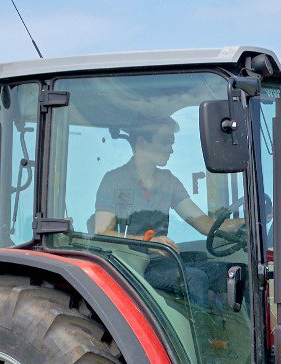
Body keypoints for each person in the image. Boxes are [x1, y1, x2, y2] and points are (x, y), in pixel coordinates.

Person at [93, 115, 243, 305]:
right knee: (195, 279)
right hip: (130, 265)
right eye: (165, 142)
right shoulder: (114, 180)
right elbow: (102, 232)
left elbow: (205, 224)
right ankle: (206, 334)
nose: (171, 149)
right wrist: (151, 242)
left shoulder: (168, 181)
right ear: (141, 142)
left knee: (233, 273)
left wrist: (246, 224)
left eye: (171, 143)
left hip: (162, 262)